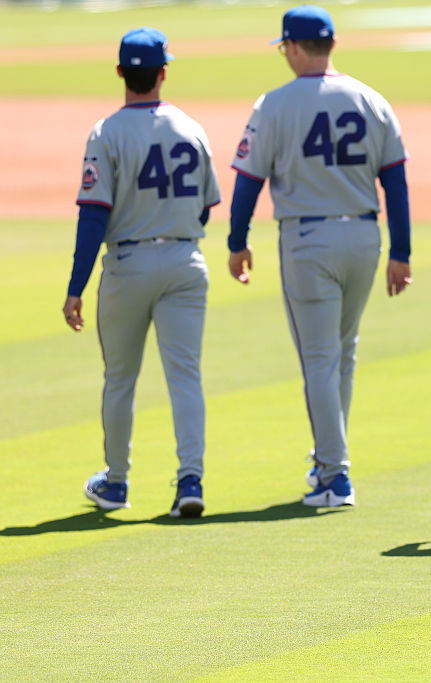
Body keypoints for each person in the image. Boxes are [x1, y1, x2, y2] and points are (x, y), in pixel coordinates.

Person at [228, 5, 412, 507]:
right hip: (364, 238)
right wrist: (401, 250)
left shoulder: (274, 103)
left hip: (308, 241)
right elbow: (395, 181)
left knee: (320, 360)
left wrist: (237, 240)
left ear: (293, 46)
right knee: (342, 354)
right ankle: (329, 460)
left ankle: (334, 475)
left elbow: (248, 180)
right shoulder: (371, 98)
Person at [66, 27, 220, 518]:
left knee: (120, 378)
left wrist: (75, 287)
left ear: (120, 72)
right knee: (185, 376)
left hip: (127, 266)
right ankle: (190, 480)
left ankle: (115, 483)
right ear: (163, 72)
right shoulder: (191, 128)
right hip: (185, 262)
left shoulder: (106, 132)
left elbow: (94, 216)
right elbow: (205, 208)